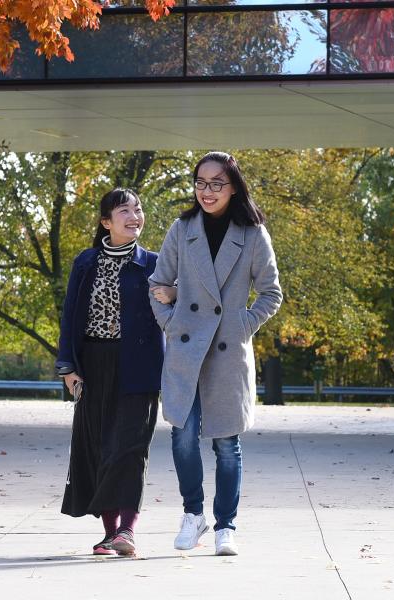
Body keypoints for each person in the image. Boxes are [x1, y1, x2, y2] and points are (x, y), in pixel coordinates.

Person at [149, 151, 282, 556]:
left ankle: (226, 525)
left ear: (233, 187)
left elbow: (271, 293)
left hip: (227, 352)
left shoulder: (253, 234)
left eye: (216, 184)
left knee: (226, 443)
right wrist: (172, 321)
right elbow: (157, 284)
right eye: (200, 183)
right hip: (187, 349)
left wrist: (241, 324)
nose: (207, 192)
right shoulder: (182, 228)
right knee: (184, 437)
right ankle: (193, 514)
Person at [56, 188, 164, 557]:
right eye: (124, 210)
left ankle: (128, 530)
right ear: (106, 222)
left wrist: (175, 295)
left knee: (131, 448)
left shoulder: (155, 264)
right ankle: (109, 532)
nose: (135, 215)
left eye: (138, 208)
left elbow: (175, 310)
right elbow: (70, 316)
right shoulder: (86, 262)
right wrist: (68, 368)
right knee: (100, 447)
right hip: (94, 365)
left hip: (140, 365)